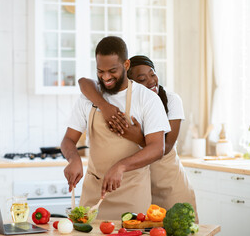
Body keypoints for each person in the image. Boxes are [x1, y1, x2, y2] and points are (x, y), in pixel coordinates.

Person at [61, 36, 171, 220]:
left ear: (126, 65)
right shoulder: (89, 97)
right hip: (94, 191)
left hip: (132, 193)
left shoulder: (146, 99)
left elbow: (156, 148)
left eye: (112, 70)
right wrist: (73, 159)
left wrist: (121, 166)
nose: (106, 77)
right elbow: (68, 140)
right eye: (100, 71)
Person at [78, 55, 198, 222]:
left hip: (169, 185)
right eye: (142, 79)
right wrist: (103, 105)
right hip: (141, 189)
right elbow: (84, 82)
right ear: (131, 83)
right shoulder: (133, 101)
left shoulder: (171, 100)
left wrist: (136, 137)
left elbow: (166, 146)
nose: (151, 81)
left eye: (152, 74)